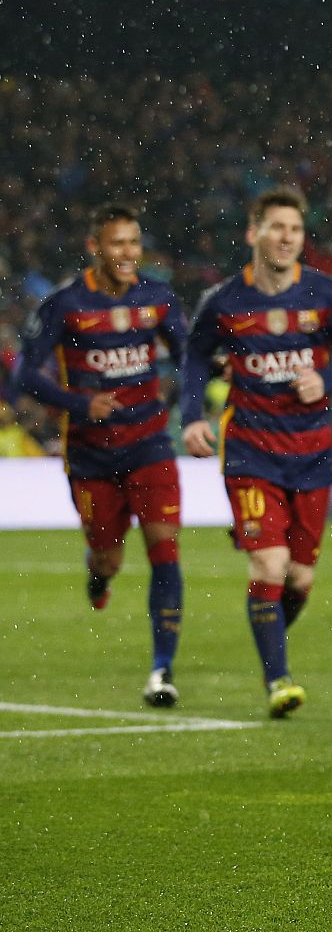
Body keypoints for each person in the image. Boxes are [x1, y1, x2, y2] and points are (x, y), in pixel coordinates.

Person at [180, 187, 332, 718]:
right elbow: (195, 356)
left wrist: (324, 378)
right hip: (249, 451)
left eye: (295, 231)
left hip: (311, 453)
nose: (286, 239)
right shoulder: (225, 301)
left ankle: (269, 638)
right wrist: (192, 416)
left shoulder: (325, 295)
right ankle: (278, 679)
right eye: (276, 228)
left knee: (301, 578)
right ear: (253, 233)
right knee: (269, 562)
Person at [14, 203, 189, 707]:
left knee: (165, 551)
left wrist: (198, 394)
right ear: (95, 248)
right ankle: (99, 574)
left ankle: (162, 670)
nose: (129, 253)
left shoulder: (157, 298)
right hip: (92, 457)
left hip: (152, 445)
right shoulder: (65, 305)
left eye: (134, 242)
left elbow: (187, 358)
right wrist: (79, 404)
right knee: (109, 557)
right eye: (118, 243)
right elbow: (25, 375)